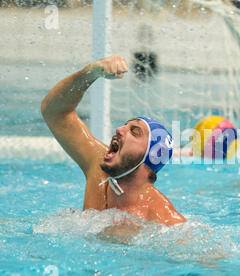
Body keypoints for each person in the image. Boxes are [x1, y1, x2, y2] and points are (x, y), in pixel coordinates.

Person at [41, 55, 186, 229]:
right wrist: (90, 73)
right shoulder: (98, 169)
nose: (119, 129)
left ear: (151, 157)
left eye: (135, 131)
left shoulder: (163, 219)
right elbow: (55, 112)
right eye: (126, 125)